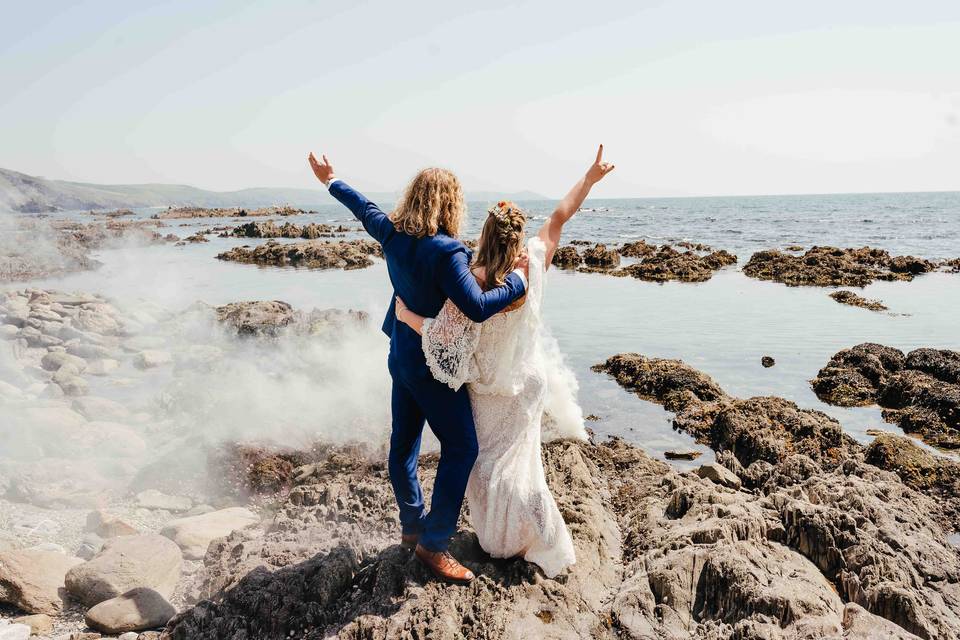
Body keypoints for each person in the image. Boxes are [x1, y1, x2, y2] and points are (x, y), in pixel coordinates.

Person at [393, 145, 614, 576]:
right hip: (527, 382)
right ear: (517, 236)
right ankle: (539, 533)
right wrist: (588, 180)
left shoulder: (472, 279)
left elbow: (442, 335)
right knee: (524, 462)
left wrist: (407, 316)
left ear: (485, 233)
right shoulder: (533, 263)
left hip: (488, 387)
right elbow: (559, 217)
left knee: (486, 466)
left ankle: (497, 539)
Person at [308, 152, 528, 583]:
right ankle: (434, 543)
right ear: (450, 205)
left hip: (401, 355)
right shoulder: (447, 252)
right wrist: (519, 282)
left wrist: (331, 180)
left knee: (404, 446)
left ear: (414, 198)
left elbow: (364, 209)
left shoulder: (391, 233)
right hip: (433, 366)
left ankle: (412, 525)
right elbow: (479, 307)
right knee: (462, 448)